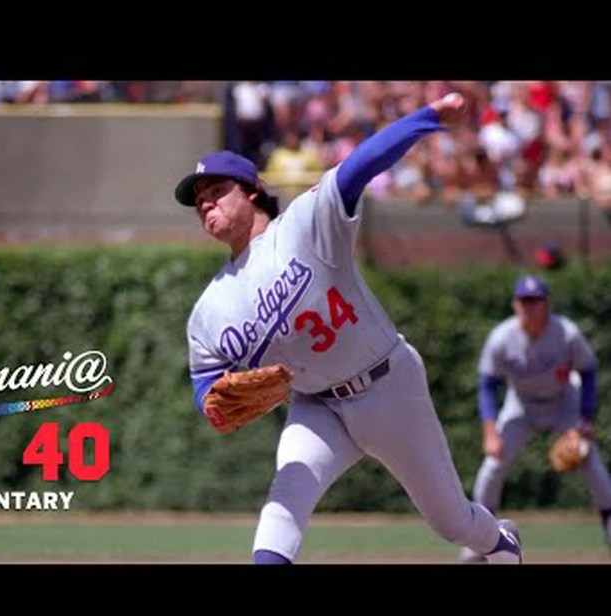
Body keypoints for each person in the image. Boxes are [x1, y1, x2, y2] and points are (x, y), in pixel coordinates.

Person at [174, 92, 523, 564]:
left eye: (216, 191)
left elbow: (361, 164)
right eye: (199, 201)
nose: (206, 204)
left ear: (252, 189)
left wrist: (429, 117)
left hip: (388, 386)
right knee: (284, 501)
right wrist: (211, 404)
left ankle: (501, 544)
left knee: (451, 522)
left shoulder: (304, 224)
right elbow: (205, 381)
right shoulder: (209, 309)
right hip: (316, 406)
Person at [459, 275, 611, 562]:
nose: (530, 306)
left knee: (591, 461)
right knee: (493, 466)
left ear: (547, 304)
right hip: (521, 405)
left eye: (536, 300)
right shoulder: (502, 338)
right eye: (524, 300)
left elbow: (588, 370)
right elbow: (487, 384)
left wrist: (585, 420)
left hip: (564, 402)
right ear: (515, 304)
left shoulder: (566, 333)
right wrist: (490, 431)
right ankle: (479, 539)